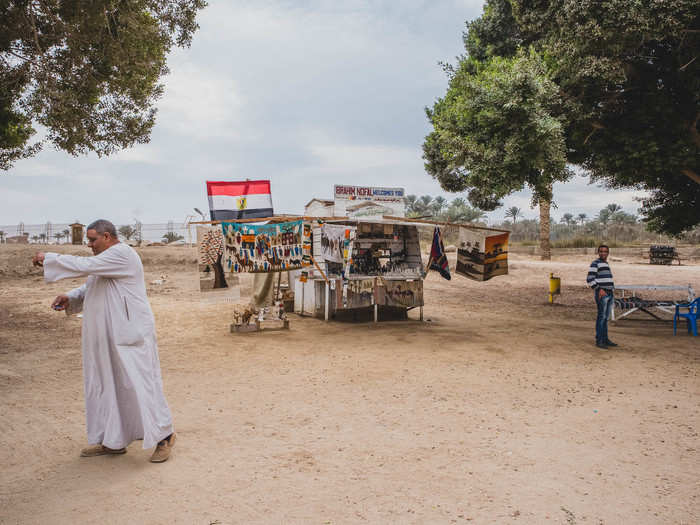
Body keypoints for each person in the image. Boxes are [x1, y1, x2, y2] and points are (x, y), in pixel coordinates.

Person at [32, 219, 176, 462]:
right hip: (106, 336)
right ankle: (113, 440)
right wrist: (71, 296)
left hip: (129, 334)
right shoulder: (106, 263)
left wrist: (49, 257)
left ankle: (165, 435)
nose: (89, 245)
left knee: (141, 383)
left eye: (92, 240)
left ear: (107, 236)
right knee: (106, 384)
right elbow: (93, 283)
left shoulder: (122, 254)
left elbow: (86, 265)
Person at [586, 244, 618, 349]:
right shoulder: (595, 263)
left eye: (605, 251)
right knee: (601, 317)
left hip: (609, 293)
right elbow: (590, 279)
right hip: (602, 294)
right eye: (601, 251)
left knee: (605, 318)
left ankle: (605, 339)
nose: (603, 253)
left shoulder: (605, 263)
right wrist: (599, 289)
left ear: (608, 253)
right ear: (598, 252)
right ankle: (599, 340)